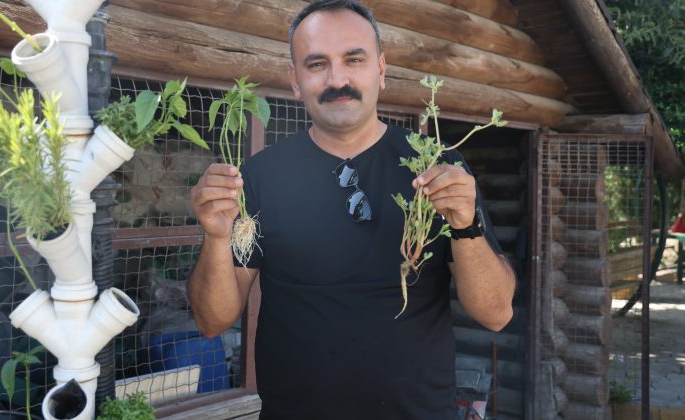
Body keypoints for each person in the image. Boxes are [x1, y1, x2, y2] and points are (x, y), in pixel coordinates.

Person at [188, 0, 516, 418]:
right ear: (295, 80)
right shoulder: (261, 176)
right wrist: (216, 237)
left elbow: (496, 313)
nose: (337, 79)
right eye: (317, 64)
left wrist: (466, 227)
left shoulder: (436, 167)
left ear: (381, 69)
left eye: (354, 59)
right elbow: (212, 321)